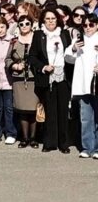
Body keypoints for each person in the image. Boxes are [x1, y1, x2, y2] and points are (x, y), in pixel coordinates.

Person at [28, 8, 73, 153]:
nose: (50, 21)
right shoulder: (38, 35)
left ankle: (63, 143)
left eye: (53, 18)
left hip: (63, 76)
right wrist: (43, 67)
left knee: (63, 110)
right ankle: (49, 142)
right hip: (47, 77)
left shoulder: (65, 34)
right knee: (50, 110)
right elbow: (32, 57)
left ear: (58, 20)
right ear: (43, 21)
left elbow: (71, 53)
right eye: (47, 19)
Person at [65, 13, 98, 158]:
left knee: (97, 117)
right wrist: (73, 48)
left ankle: (96, 148)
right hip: (83, 84)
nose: (88, 28)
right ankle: (86, 147)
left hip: (96, 83)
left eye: (91, 25)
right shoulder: (79, 40)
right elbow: (68, 58)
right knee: (85, 117)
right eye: (85, 25)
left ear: (97, 25)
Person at [5, 15, 40, 148]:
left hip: (34, 78)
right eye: (21, 24)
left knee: (33, 109)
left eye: (27, 23)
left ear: (31, 25)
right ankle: (24, 138)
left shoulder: (37, 39)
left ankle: (34, 138)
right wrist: (14, 66)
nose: (24, 26)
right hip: (19, 79)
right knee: (22, 110)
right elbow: (7, 59)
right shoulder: (14, 41)